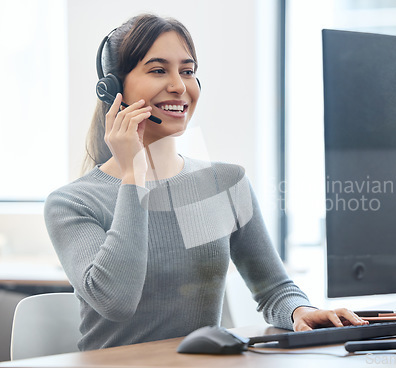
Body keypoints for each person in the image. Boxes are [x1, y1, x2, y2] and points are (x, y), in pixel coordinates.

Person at [44, 13, 367, 351]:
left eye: (187, 71)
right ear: (113, 88)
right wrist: (133, 174)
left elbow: (273, 289)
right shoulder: (73, 202)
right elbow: (116, 301)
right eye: (158, 70)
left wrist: (301, 311)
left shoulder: (223, 183)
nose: (179, 86)